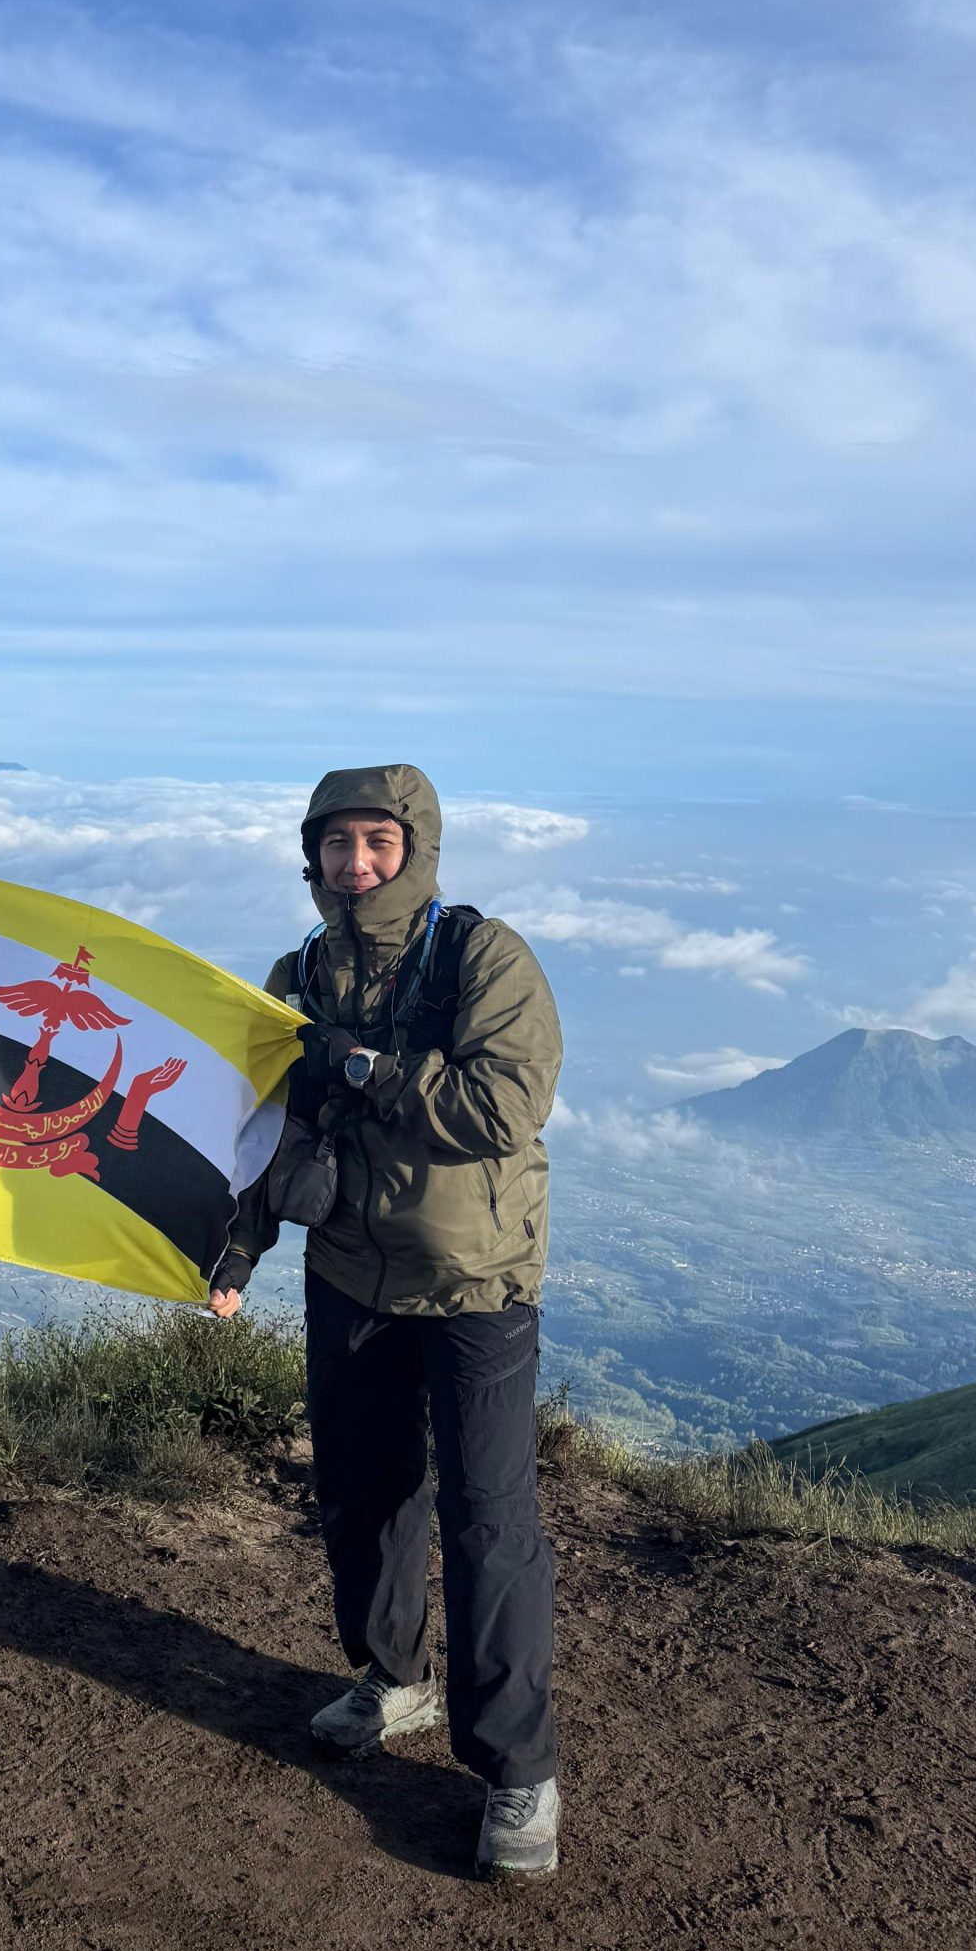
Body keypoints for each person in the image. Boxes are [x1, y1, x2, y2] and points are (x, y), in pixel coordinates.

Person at [210, 765, 564, 1881]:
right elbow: (270, 1126)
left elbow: (506, 1105)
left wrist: (365, 1064)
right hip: (349, 1272)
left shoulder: (480, 956)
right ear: (311, 854)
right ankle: (395, 1676)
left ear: (417, 847)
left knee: (488, 1520)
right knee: (363, 1491)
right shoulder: (299, 974)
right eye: (336, 843)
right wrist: (238, 1246)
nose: (355, 863)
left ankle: (517, 1771)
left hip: (476, 1282)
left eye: (377, 841)